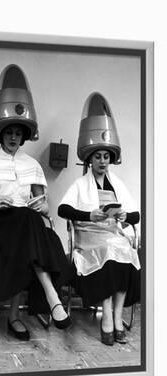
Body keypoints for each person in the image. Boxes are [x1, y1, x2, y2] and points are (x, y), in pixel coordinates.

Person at [0, 64, 71, 341]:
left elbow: (45, 208)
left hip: (25, 225)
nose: (13, 137)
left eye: (18, 133)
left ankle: (21, 312)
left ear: (24, 135)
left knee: (30, 220)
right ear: (1, 133)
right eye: (9, 132)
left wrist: (39, 206)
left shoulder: (32, 165)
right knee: (27, 225)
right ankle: (47, 298)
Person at [58, 92, 140, 346]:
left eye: (106, 157)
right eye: (97, 157)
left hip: (112, 235)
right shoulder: (80, 184)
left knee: (124, 250)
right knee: (110, 251)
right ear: (90, 159)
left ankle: (116, 317)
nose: (102, 161)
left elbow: (136, 215)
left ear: (110, 159)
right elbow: (63, 210)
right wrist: (88, 214)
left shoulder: (117, 184)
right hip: (89, 236)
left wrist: (125, 215)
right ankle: (106, 317)